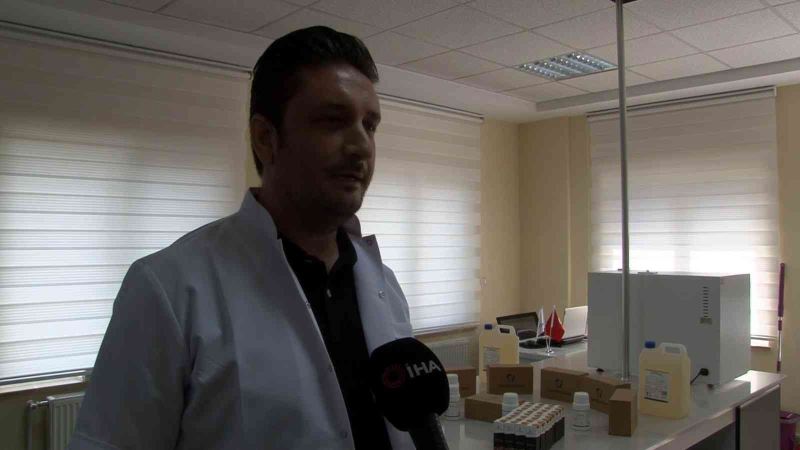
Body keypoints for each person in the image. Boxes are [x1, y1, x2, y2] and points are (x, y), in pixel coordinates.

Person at [69, 26, 415, 450]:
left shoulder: (385, 286)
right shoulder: (169, 289)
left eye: (370, 125)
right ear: (266, 139)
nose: (362, 146)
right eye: (333, 121)